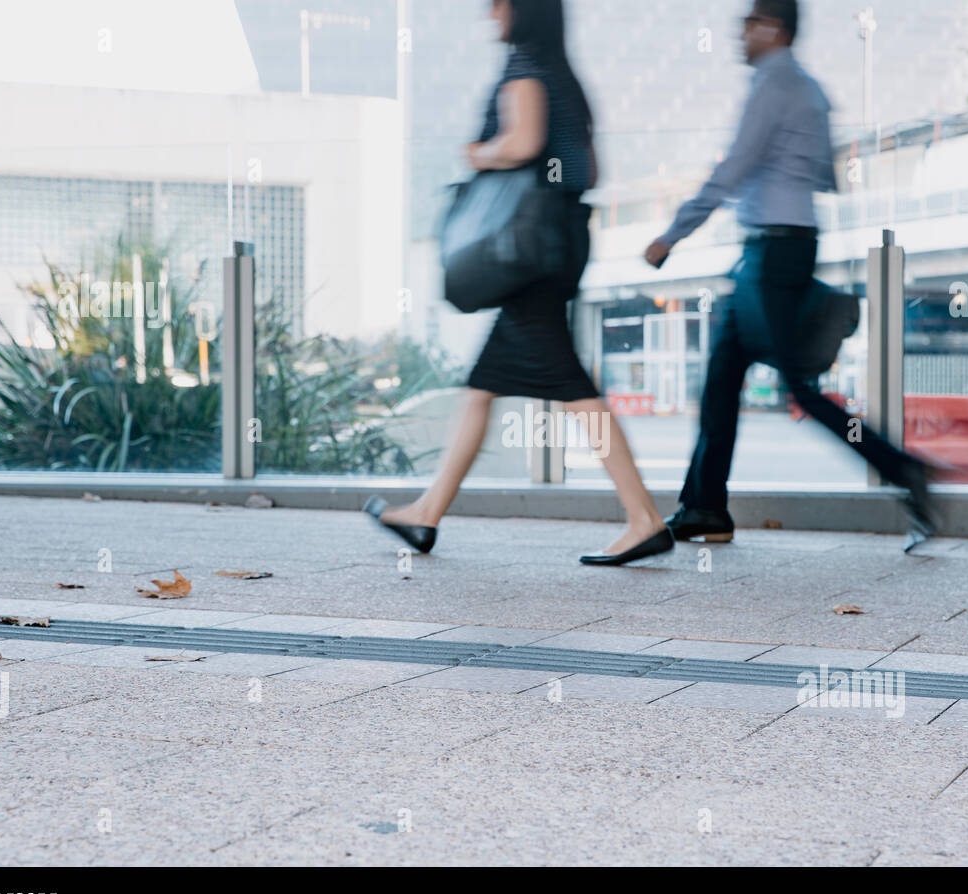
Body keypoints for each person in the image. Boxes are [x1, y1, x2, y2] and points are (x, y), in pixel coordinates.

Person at [367, 0, 673, 567]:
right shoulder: (565, 76)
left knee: (573, 390)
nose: (491, 15)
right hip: (557, 241)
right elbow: (589, 169)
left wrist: (476, 152)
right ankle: (429, 512)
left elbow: (524, 143)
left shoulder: (526, 66)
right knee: (486, 386)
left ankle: (643, 518)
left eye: (499, 4)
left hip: (531, 250)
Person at [644, 0, 937, 550]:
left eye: (748, 24)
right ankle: (704, 506)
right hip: (781, 247)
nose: (740, 34)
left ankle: (904, 470)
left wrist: (671, 235)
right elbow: (821, 172)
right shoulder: (810, 89)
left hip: (773, 252)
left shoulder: (773, 85)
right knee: (722, 377)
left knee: (798, 385)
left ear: (772, 29)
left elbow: (733, 167)